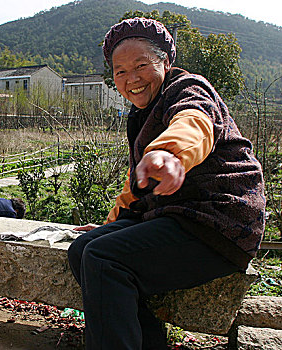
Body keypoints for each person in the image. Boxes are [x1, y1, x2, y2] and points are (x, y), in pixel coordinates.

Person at [67, 17, 265, 349]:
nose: (132, 79)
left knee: (104, 258)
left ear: (166, 62)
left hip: (220, 223)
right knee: (83, 250)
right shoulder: (141, 116)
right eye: (120, 72)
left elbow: (194, 121)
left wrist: (170, 153)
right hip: (177, 218)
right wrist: (111, 225)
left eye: (141, 65)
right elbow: (138, 187)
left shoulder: (187, 88)